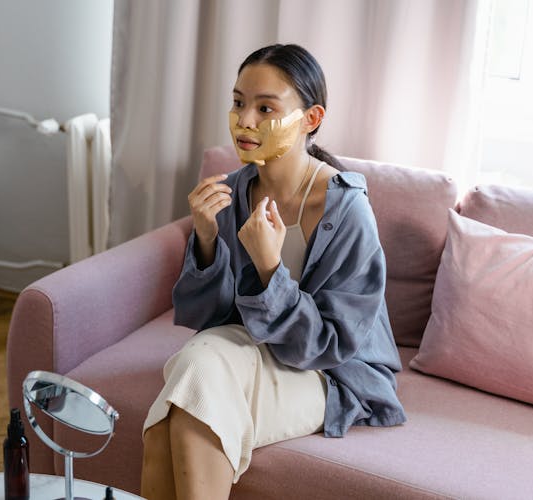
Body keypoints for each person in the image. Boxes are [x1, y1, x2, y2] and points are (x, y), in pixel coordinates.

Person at [140, 43, 405, 500]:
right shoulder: (231, 193)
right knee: (195, 369)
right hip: (252, 353)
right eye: (239, 102)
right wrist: (205, 240)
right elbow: (213, 321)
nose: (244, 121)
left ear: (311, 119)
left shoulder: (346, 210)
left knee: (187, 389)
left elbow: (328, 346)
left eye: (266, 108)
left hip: (332, 371)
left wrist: (269, 268)